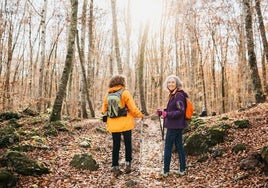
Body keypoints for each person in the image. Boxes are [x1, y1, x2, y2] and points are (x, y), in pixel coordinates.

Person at [101, 75, 144, 176]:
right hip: (126, 123)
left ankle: (115, 166)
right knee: (128, 144)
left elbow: (103, 110)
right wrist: (140, 115)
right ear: (122, 82)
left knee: (116, 145)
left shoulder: (107, 94)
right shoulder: (125, 93)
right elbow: (133, 109)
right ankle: (128, 164)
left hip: (113, 124)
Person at [156, 75, 187, 177]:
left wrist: (167, 114)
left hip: (174, 126)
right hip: (176, 125)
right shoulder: (173, 94)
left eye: (173, 82)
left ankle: (165, 171)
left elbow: (181, 111)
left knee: (168, 147)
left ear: (177, 83)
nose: (170, 84)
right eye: (169, 82)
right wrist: (163, 112)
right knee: (179, 147)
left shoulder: (178, 95)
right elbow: (173, 110)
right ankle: (182, 170)